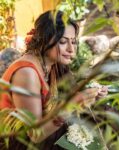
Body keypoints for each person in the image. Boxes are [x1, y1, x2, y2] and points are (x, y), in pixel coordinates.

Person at [0, 10, 108, 150]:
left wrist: (92, 92)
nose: (71, 49)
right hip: (20, 142)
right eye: (63, 42)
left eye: (73, 42)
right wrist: (72, 104)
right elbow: (35, 134)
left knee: (104, 116)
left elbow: (71, 90)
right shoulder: (26, 73)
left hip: (45, 129)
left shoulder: (53, 63)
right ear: (44, 39)